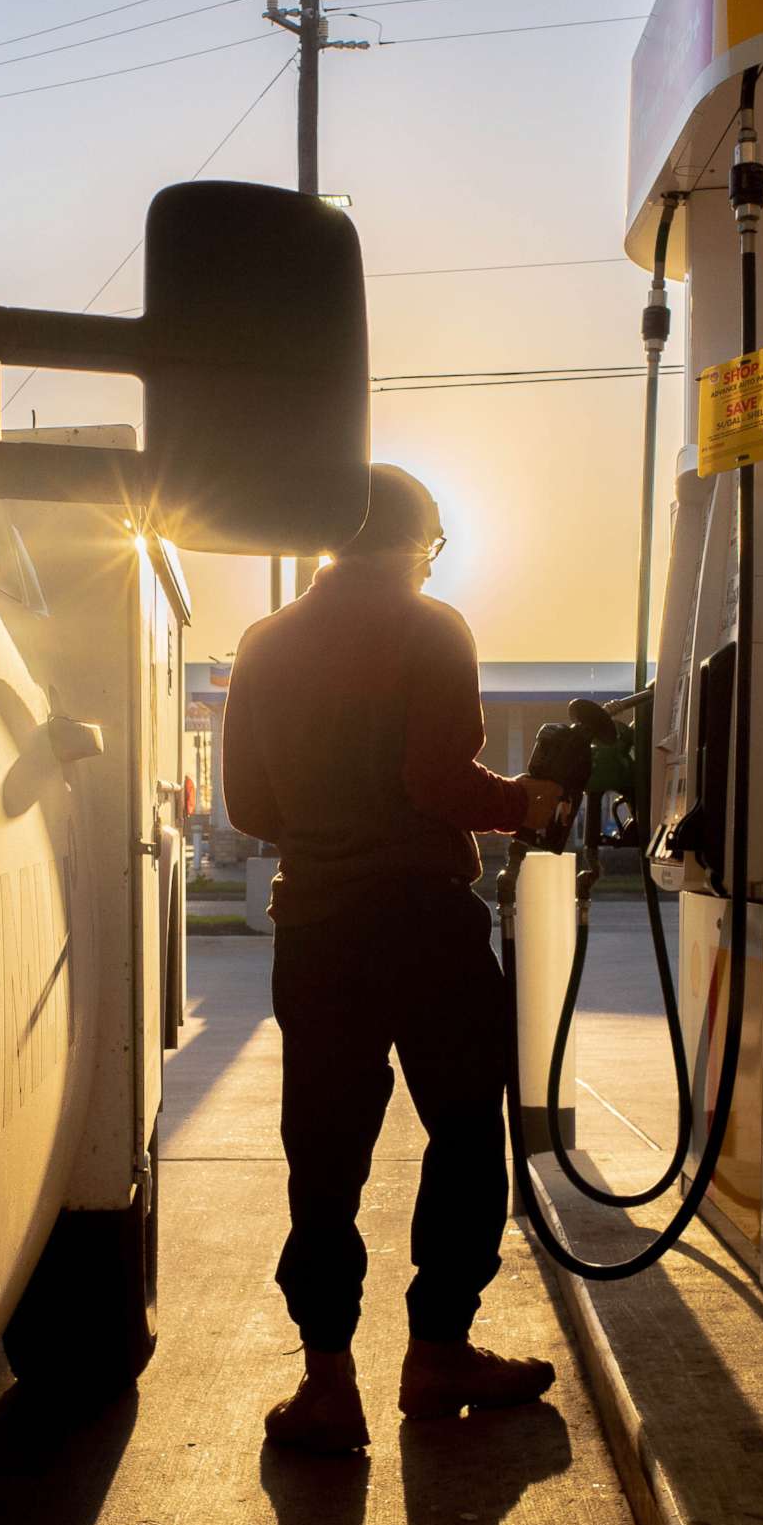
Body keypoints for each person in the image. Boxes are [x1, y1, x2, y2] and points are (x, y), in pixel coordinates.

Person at [221, 463, 566, 1454]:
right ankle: (438, 1352)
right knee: (462, 1132)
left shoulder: (264, 642)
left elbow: (249, 808)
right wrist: (523, 804)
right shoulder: (431, 626)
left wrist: (329, 823)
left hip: (318, 928)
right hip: (422, 920)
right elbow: (433, 779)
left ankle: (327, 1381)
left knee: (323, 1153)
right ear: (419, 543)